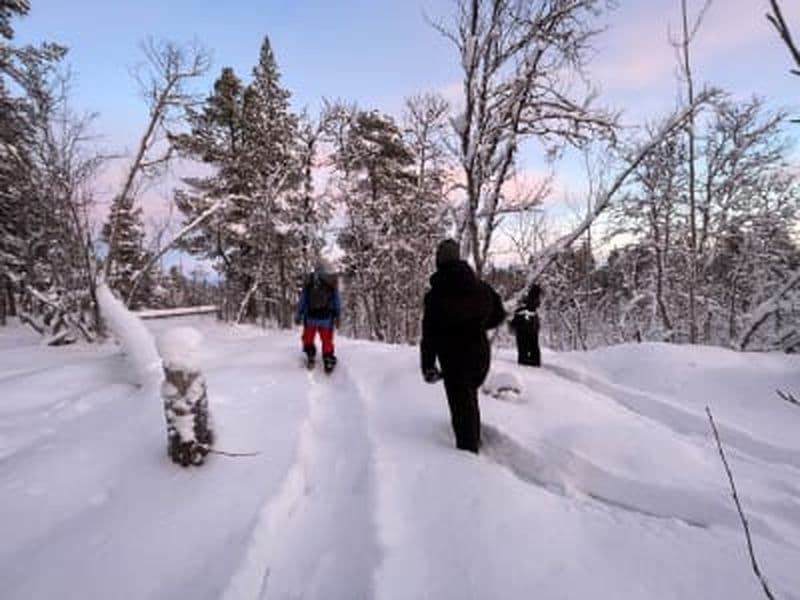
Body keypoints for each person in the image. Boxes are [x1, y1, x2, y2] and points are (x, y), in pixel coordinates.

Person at [420, 239, 506, 453]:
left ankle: (468, 460)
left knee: (462, 409)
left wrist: (428, 366)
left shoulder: (435, 297)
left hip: (454, 359)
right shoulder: (482, 288)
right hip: (480, 355)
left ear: (438, 262)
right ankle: (473, 439)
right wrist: (477, 325)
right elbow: (499, 315)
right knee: (469, 400)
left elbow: (429, 335)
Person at [295, 260, 341, 373]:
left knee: (308, 337)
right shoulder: (331, 282)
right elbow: (336, 301)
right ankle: (328, 359)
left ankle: (310, 355)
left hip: (310, 317)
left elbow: (303, 300)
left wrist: (299, 314)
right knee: (327, 340)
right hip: (326, 318)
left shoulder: (309, 282)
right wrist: (337, 315)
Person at [509, 283, 542, 367]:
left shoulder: (530, 300)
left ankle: (527, 361)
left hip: (525, 324)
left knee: (525, 345)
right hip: (529, 324)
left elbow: (527, 308)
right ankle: (532, 361)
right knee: (532, 344)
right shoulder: (532, 300)